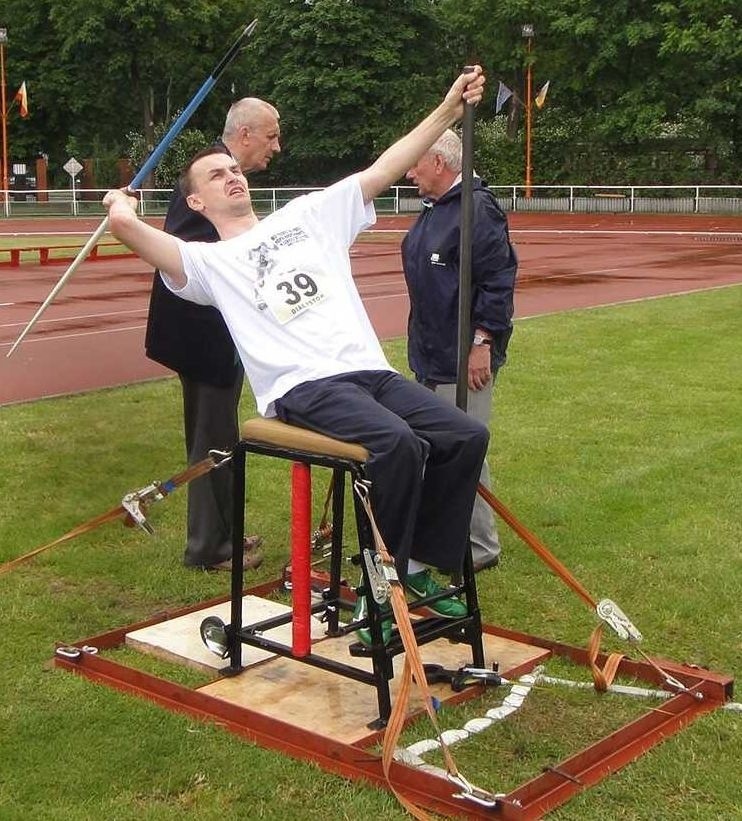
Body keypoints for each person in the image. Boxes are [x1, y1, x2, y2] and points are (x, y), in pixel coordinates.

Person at [104, 67, 489, 643]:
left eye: (233, 169)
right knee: (397, 446)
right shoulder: (207, 263)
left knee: (464, 436)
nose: (231, 176)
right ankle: (379, 598)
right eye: (216, 174)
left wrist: (447, 109)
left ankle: (410, 571)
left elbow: (385, 166)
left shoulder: (309, 215)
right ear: (194, 199)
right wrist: (119, 208)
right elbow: (129, 233)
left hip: (368, 372)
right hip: (305, 388)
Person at [145, 98, 281, 572]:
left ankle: (225, 533)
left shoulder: (219, 180)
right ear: (244, 135)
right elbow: (184, 256)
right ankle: (209, 547)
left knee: (218, 438)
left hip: (217, 339)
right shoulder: (203, 182)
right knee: (212, 442)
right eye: (270, 136)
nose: (275, 147)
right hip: (203, 342)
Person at [402, 128, 517, 573]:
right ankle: (448, 538)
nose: (409, 172)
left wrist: (482, 343)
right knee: (440, 448)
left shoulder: (476, 209)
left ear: (438, 161)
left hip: (462, 356)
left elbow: (497, 280)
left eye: (415, 163)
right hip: (431, 353)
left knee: (464, 448)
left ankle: (480, 547)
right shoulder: (435, 209)